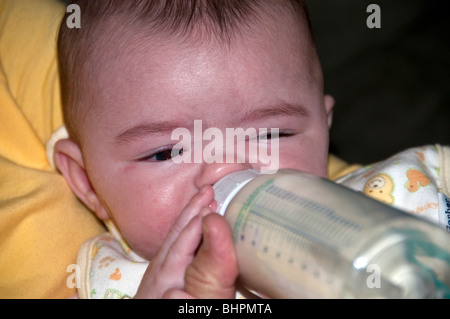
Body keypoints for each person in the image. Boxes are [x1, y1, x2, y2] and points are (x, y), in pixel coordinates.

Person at [53, 0, 450, 299]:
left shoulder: (399, 191)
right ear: (87, 182)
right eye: (167, 152)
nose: (228, 168)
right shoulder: (117, 280)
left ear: (324, 132)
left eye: (271, 134)